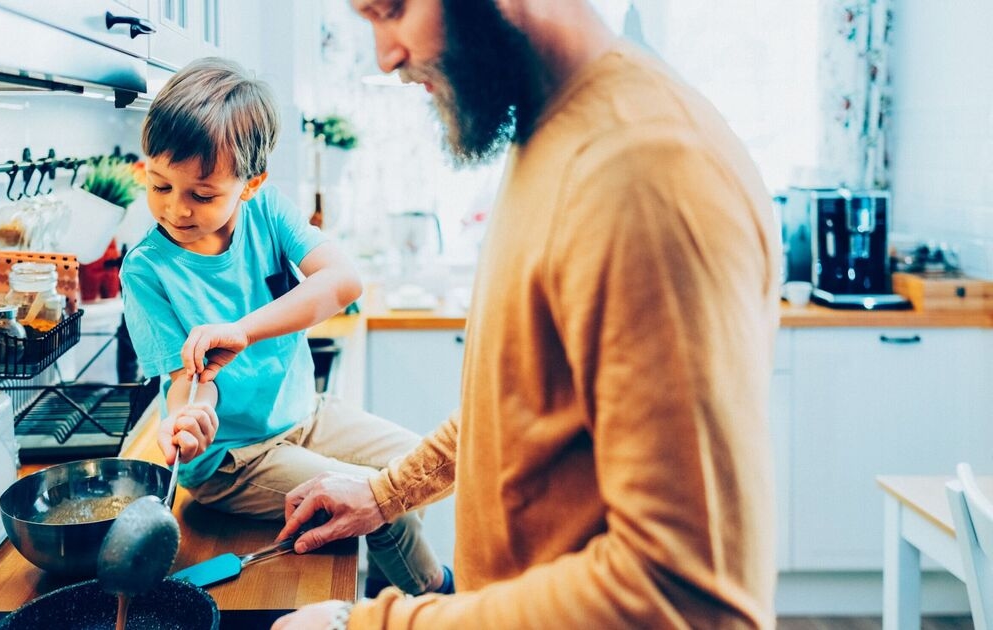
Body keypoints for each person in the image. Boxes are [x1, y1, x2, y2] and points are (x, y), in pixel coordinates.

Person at [274, 1, 780, 628]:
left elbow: (684, 594)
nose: (386, 55)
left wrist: (369, 625)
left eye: (394, 10)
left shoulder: (645, 172)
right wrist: (382, 496)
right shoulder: (549, 131)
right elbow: (516, 398)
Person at [119, 57, 453, 598]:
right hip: (235, 460)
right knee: (378, 499)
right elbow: (184, 380)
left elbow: (343, 281)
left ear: (251, 185)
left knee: (421, 464)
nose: (175, 209)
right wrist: (186, 419)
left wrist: (243, 330)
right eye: (159, 186)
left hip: (307, 413)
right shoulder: (145, 269)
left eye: (202, 194)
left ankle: (419, 597)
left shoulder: (267, 211)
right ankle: (434, 601)